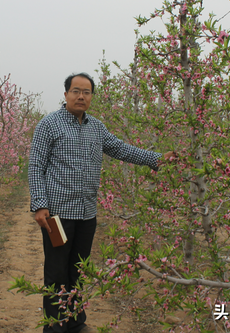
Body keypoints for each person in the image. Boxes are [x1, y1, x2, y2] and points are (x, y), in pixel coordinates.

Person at [29, 72, 173, 333]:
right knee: (56, 272)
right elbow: (36, 165)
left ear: (92, 97)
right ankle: (54, 327)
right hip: (57, 216)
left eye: (86, 92)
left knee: (79, 270)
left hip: (86, 214)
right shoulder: (49, 124)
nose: (81, 96)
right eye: (76, 91)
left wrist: (156, 159)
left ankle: (75, 323)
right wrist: (39, 204)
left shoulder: (97, 127)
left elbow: (121, 148)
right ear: (66, 94)